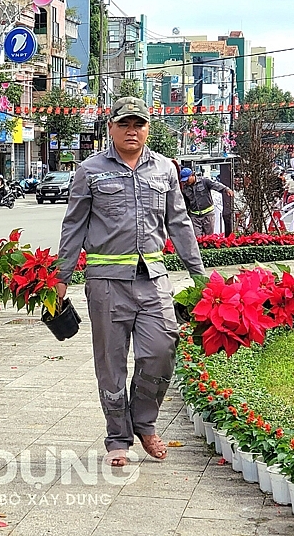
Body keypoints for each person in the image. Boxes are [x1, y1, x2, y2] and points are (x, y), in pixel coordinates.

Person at [56, 97, 205, 467]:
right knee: (111, 364)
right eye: (124, 124)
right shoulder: (90, 170)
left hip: (153, 283)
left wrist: (199, 275)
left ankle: (144, 422)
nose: (132, 130)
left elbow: (180, 223)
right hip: (106, 283)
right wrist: (61, 277)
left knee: (160, 351)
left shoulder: (165, 171)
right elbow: (74, 226)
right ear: (111, 128)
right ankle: (117, 437)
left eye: (138, 124)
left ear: (148, 128)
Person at [180, 167, 234, 237]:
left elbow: (216, 185)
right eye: (184, 181)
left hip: (208, 215)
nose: (186, 182)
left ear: (192, 175)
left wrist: (226, 189)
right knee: (197, 238)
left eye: (187, 179)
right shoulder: (185, 188)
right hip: (194, 217)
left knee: (209, 238)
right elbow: (186, 202)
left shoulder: (204, 181)